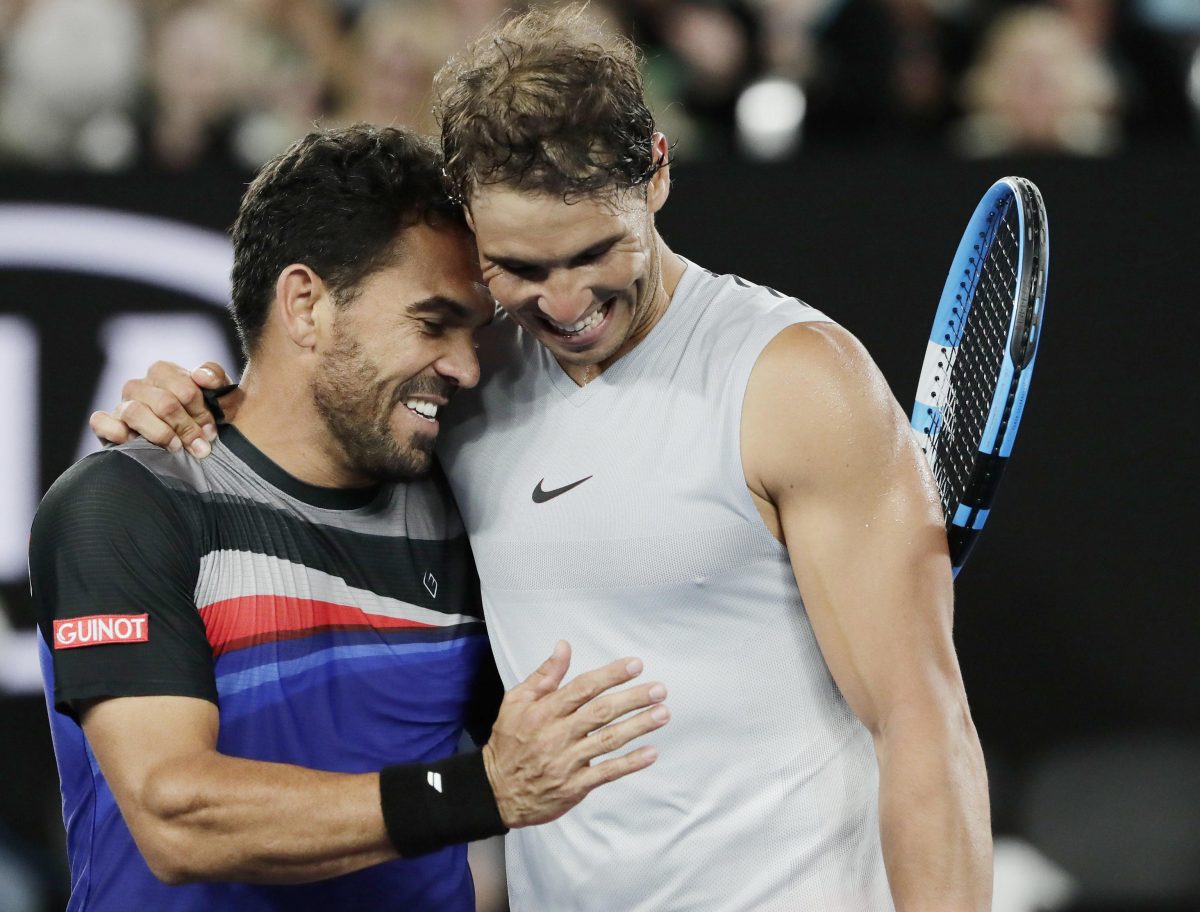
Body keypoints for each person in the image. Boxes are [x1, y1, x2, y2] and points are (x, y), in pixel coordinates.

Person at [96, 6, 992, 910]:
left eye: (594, 253)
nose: (564, 304)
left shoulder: (793, 380)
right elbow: (302, 425)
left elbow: (923, 725)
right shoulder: (466, 387)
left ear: (656, 174)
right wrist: (186, 408)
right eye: (517, 268)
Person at [32, 124, 670, 912]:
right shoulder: (128, 504)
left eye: (475, 333)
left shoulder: (466, 499)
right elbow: (177, 816)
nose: (467, 367)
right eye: (432, 323)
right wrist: (482, 791)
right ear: (306, 304)